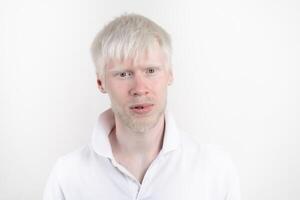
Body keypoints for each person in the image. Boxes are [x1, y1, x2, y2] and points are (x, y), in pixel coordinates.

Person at [43, 13, 240, 200]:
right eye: (124, 74)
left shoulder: (216, 170)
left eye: (151, 70)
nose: (139, 89)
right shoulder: (67, 177)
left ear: (170, 74)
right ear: (100, 82)